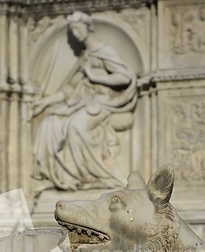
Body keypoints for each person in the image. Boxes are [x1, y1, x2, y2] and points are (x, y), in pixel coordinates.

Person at [32, 11, 138, 192]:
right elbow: (69, 91)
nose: (75, 33)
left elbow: (124, 78)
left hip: (103, 102)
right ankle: (65, 178)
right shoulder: (85, 57)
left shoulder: (104, 51)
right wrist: (44, 102)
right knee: (49, 122)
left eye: (77, 27)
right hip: (82, 103)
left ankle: (104, 177)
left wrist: (95, 77)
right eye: (72, 29)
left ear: (88, 26)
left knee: (76, 126)